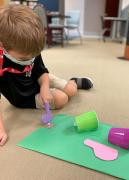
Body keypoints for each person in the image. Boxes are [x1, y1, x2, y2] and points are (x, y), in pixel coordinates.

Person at [0, 5, 93, 146]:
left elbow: (41, 71)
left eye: (34, 54)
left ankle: (73, 81)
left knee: (71, 90)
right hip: (24, 97)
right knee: (62, 99)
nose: (31, 58)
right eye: (25, 57)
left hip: (39, 78)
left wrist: (44, 88)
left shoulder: (30, 47)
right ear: (2, 45)